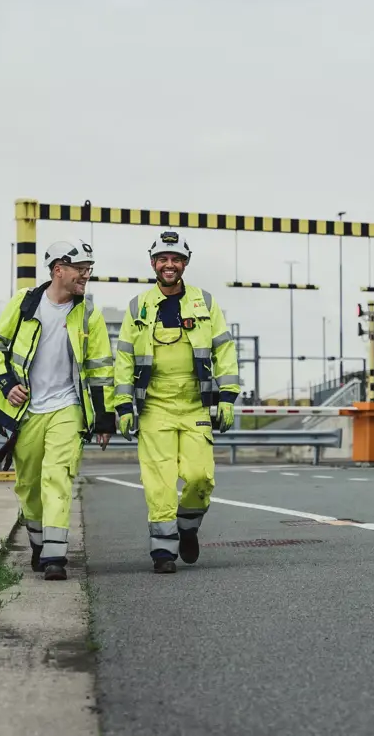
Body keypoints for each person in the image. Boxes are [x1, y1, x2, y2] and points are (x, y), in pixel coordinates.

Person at [0, 239, 116, 580]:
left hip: (67, 407)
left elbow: (101, 368)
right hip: (26, 411)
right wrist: (6, 383)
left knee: (57, 476)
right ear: (59, 269)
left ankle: (56, 556)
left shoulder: (89, 314)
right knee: (28, 484)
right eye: (80, 269)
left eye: (89, 269)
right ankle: (40, 544)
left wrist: (104, 418)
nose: (86, 275)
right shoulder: (25, 303)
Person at [113, 230, 240, 574]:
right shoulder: (137, 307)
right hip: (154, 407)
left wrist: (227, 398)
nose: (170, 265)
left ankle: (187, 527)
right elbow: (123, 358)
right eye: (163, 259)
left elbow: (224, 350)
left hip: (194, 405)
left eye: (176, 259)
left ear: (185, 263)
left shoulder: (206, 303)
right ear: (153, 263)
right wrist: (123, 405)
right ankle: (163, 552)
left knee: (201, 477)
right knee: (160, 483)